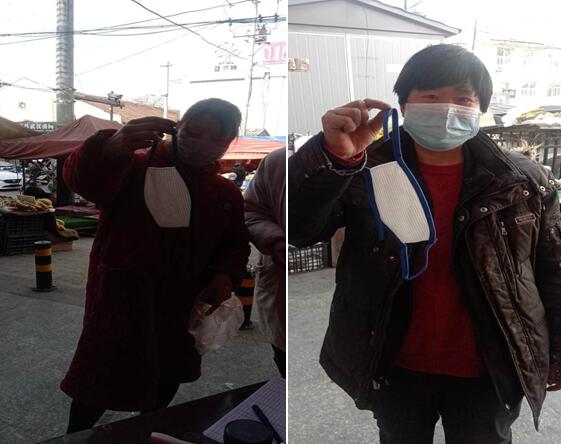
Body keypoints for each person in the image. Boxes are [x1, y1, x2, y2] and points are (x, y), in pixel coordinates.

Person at [288, 44, 561, 443]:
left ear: (481, 108)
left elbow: (552, 268)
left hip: (490, 367)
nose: (447, 109)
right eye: (431, 97)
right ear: (403, 105)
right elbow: (299, 230)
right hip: (393, 363)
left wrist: (556, 350)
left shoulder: (522, 180)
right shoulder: (364, 167)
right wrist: (334, 160)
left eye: (463, 99)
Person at [61, 98, 250, 433]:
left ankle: (148, 432)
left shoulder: (225, 192)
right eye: (194, 131)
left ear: (230, 142)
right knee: (97, 379)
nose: (204, 143)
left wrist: (225, 276)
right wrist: (110, 148)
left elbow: (234, 244)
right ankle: (73, 438)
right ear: (177, 129)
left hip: (182, 306)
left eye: (218, 138)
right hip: (121, 300)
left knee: (165, 378)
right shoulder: (134, 167)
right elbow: (83, 181)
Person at [244, 148, 286, 377]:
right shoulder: (277, 162)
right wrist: (274, 240)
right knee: (283, 358)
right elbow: (251, 212)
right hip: (279, 281)